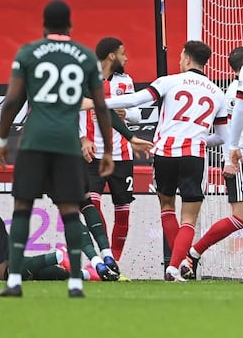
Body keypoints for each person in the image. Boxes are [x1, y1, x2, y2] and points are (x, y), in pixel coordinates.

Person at [0, 0, 116, 298]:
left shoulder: (28, 53)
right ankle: (77, 283)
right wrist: (107, 151)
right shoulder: (84, 56)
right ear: (70, 25)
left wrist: (1, 143)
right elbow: (102, 106)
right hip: (67, 144)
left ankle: (14, 281)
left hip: (34, 142)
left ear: (43, 24)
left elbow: (12, 101)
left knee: (22, 209)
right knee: (70, 210)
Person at [86, 40, 228, 282]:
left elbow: (134, 101)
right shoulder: (217, 93)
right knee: (189, 218)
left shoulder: (169, 81)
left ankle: (179, 263)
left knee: (167, 208)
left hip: (164, 154)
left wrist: (98, 103)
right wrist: (200, 139)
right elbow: (222, 137)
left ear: (186, 59)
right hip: (193, 155)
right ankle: (176, 266)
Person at [179, 44, 243, 280]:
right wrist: (229, 159)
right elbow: (232, 130)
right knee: (242, 217)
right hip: (242, 158)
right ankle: (192, 254)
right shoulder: (235, 92)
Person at [80, 37, 144, 280]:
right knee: (92, 206)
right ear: (111, 56)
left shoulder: (125, 81)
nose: (126, 58)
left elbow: (138, 114)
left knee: (123, 212)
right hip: (92, 154)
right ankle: (104, 257)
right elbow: (77, 110)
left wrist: (127, 112)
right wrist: (82, 139)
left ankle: (113, 264)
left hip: (122, 155)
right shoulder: (87, 78)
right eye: (123, 53)